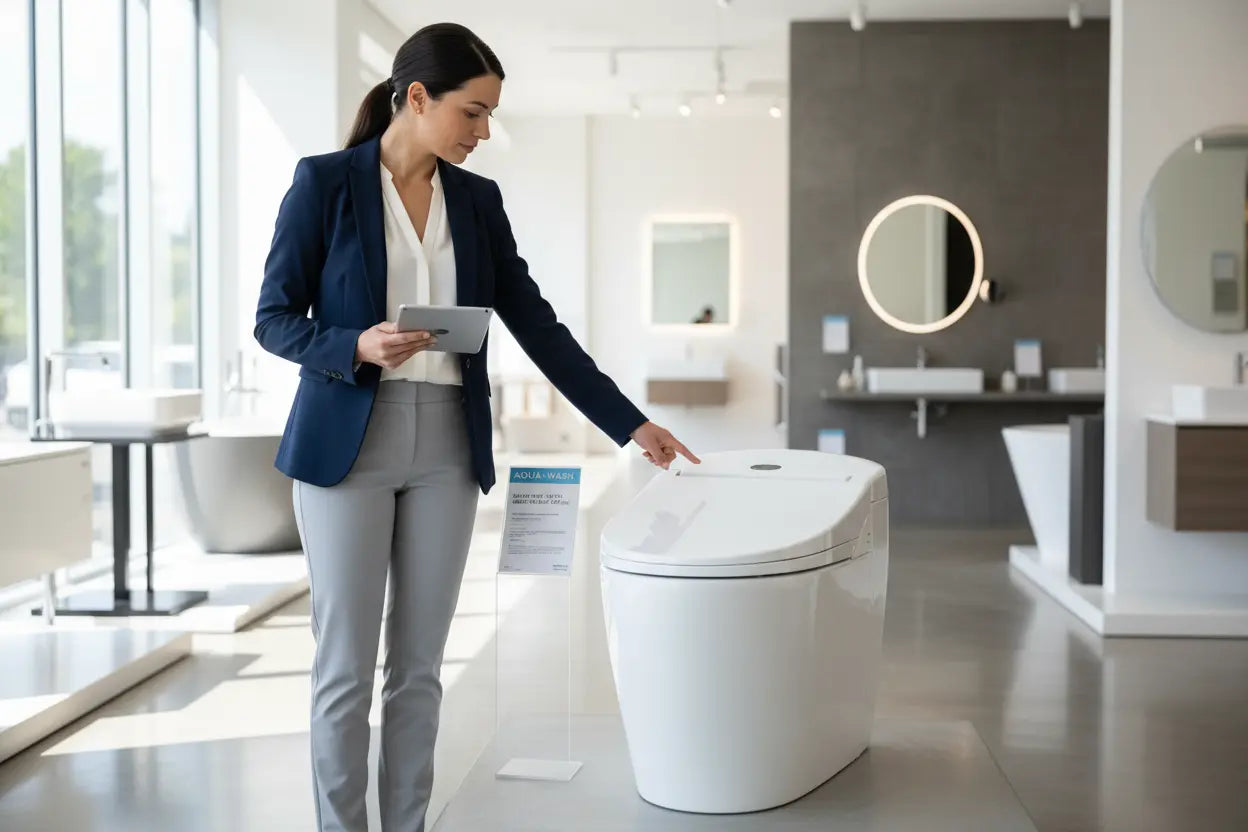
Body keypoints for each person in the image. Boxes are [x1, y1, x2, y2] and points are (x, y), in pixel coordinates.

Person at [253, 22, 698, 832]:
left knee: (420, 669)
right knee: (345, 669)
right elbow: (273, 319)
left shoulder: (477, 201)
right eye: (474, 112)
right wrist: (353, 344)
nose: (484, 132)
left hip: (447, 449)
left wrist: (629, 423)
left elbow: (538, 325)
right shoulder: (323, 183)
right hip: (345, 448)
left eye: (490, 115)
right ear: (418, 98)